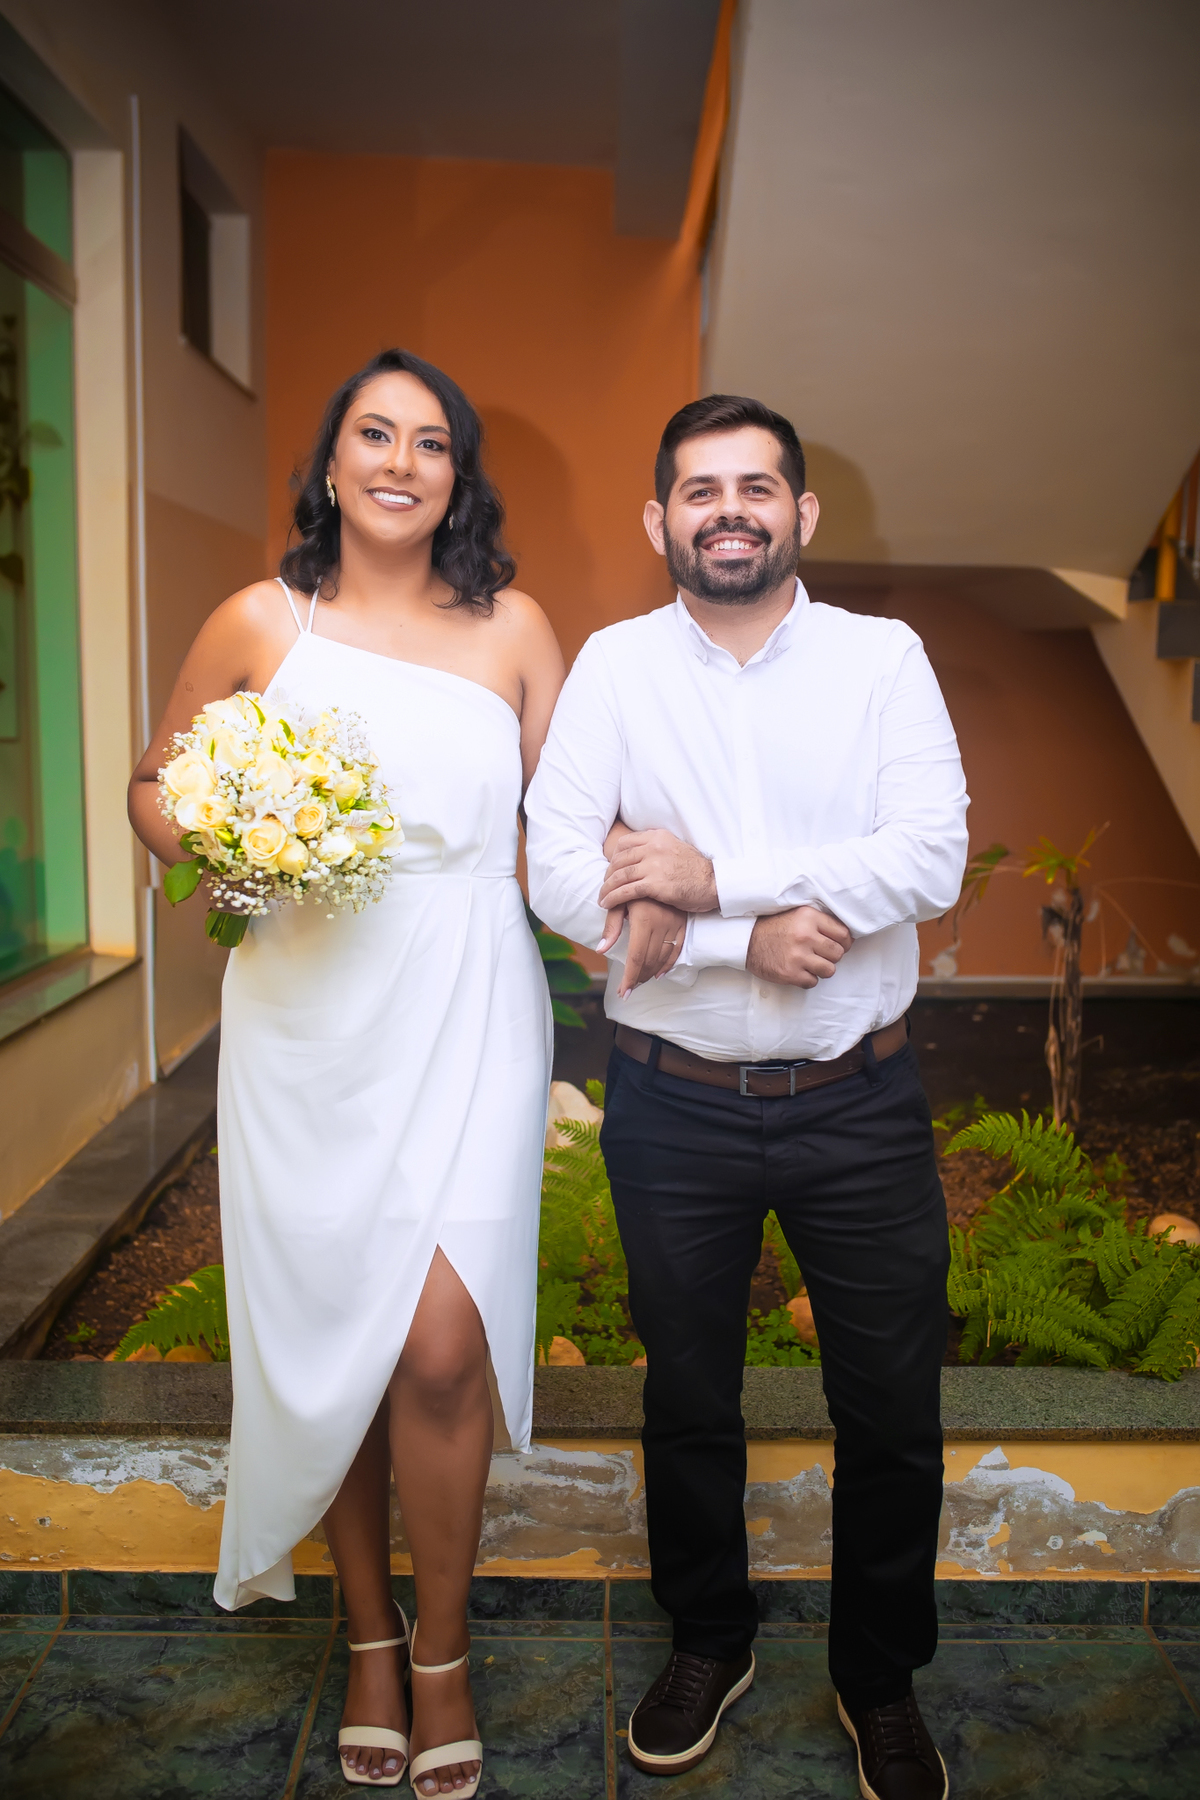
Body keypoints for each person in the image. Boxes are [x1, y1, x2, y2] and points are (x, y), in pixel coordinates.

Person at [129, 349, 564, 1794]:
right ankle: (371, 1639)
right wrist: (225, 842)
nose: (399, 461)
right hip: (307, 1016)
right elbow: (153, 780)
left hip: (472, 1000)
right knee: (336, 1340)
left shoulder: (517, 629)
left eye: (430, 442)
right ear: (331, 462)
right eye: (374, 434)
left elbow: (572, 825)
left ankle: (443, 1652)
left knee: (438, 1343)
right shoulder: (263, 619)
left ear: (458, 476)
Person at [525, 394, 967, 1800]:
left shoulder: (882, 659)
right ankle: (710, 1639)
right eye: (701, 490)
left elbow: (931, 856)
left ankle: (878, 1675)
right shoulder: (613, 667)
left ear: (801, 513)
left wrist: (708, 883)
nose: (730, 511)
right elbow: (556, 871)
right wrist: (742, 941)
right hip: (675, 1105)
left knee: (890, 1407)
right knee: (689, 1396)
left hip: (858, 1102)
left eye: (757, 487)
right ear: (659, 519)